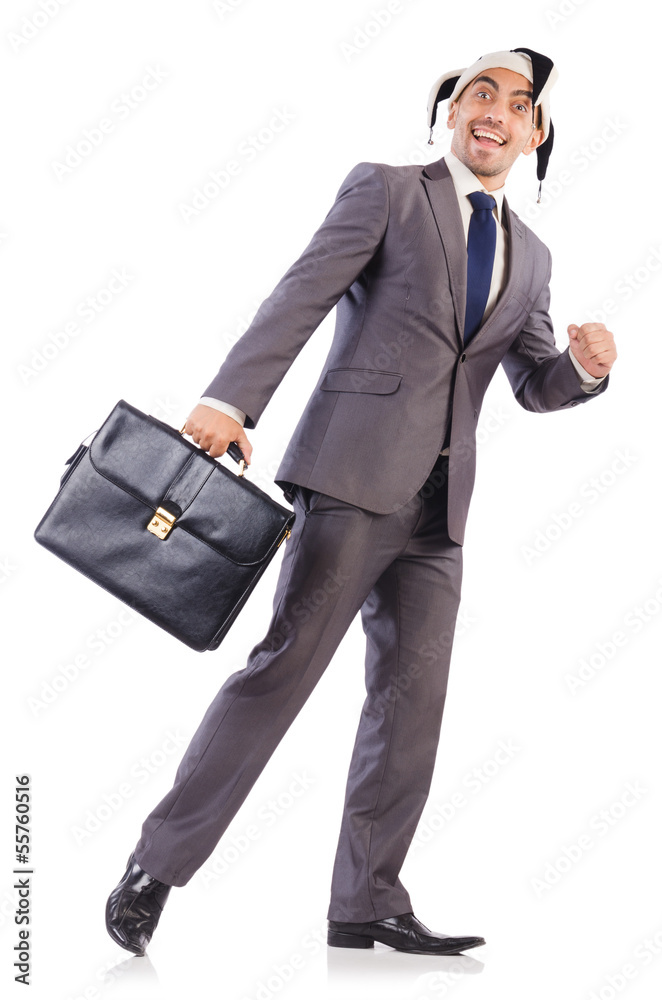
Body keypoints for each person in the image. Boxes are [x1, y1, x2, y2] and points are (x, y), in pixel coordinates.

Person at [105, 47, 617, 957]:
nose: (496, 113)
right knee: (280, 676)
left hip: (440, 514)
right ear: (452, 111)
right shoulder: (387, 191)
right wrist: (230, 401)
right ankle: (156, 865)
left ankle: (368, 899)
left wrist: (581, 369)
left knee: (410, 707)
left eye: (518, 106)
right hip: (349, 481)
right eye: (481, 94)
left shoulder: (533, 258)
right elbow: (302, 293)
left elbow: (531, 382)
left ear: (536, 134)